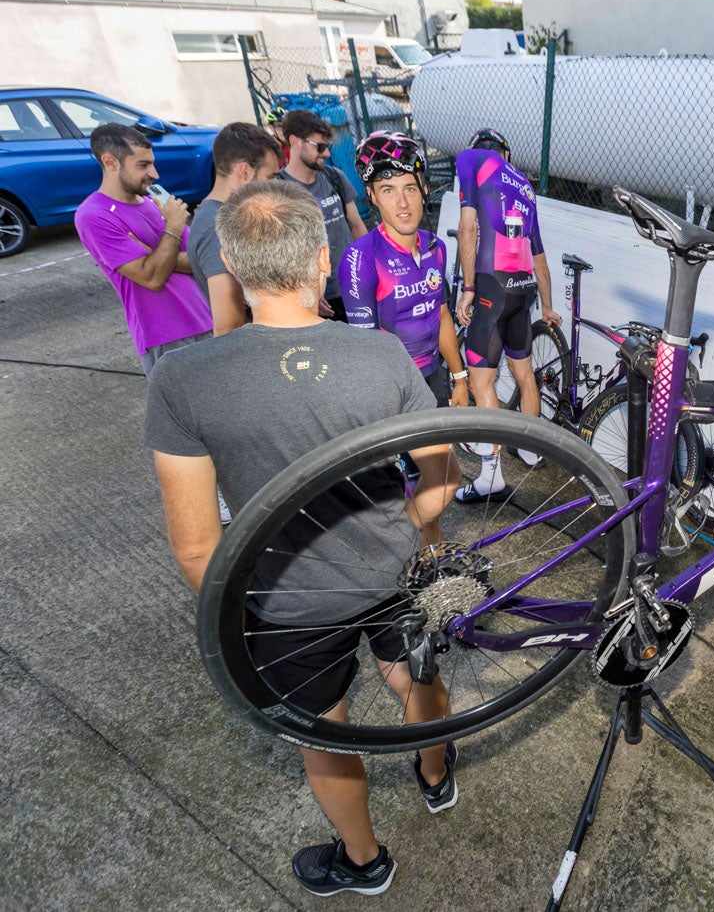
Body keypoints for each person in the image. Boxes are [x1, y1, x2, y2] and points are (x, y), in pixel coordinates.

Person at [143, 180, 462, 896]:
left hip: (284, 601)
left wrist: (243, 624)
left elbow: (197, 549)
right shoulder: (383, 355)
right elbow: (441, 483)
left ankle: (363, 862)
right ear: (323, 260)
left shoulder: (182, 380)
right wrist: (396, 532)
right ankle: (436, 777)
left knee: (327, 732)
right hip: (393, 570)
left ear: (229, 259)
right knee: (416, 674)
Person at [452, 128, 562, 504]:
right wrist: (547, 307)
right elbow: (540, 258)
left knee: (483, 382)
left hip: (491, 288)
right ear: (507, 153)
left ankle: (491, 479)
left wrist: (468, 288)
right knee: (524, 374)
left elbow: (468, 226)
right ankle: (531, 451)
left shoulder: (471, 160)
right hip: (523, 289)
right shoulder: (525, 184)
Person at [339, 131, 468, 408]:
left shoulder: (436, 246)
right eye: (388, 191)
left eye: (410, 188)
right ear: (372, 196)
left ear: (423, 192)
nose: (402, 203)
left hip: (435, 376)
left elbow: (441, 314)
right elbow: (367, 348)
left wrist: (460, 377)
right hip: (392, 387)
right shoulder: (361, 258)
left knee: (446, 452)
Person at [74, 123, 212, 374]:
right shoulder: (94, 216)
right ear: (110, 162)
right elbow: (152, 277)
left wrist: (152, 255)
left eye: (152, 163)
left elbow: (200, 260)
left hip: (206, 318)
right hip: (165, 335)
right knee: (186, 412)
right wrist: (172, 228)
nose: (155, 174)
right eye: (143, 165)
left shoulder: (154, 201)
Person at [187, 122, 284, 334]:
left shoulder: (228, 217)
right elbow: (228, 325)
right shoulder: (217, 228)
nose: (276, 186)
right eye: (271, 177)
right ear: (245, 172)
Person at [277, 108, 368, 322]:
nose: (326, 153)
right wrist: (305, 293)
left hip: (353, 288)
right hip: (315, 301)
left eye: (328, 147)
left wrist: (372, 269)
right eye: (320, 147)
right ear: (295, 141)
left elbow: (356, 225)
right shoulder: (278, 191)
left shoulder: (335, 177)